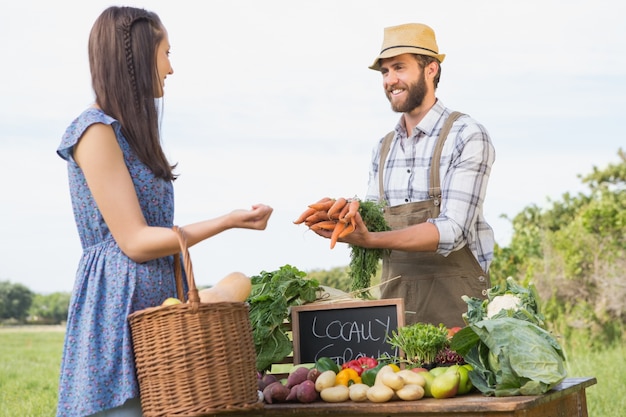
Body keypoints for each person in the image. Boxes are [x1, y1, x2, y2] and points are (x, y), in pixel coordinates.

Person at [55, 6, 273, 417]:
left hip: (155, 312)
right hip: (116, 312)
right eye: (166, 53)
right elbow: (135, 242)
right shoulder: (94, 132)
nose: (171, 68)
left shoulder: (131, 134)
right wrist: (227, 221)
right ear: (138, 55)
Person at [315, 23, 495, 328]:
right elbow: (372, 222)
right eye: (385, 72)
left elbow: (452, 231)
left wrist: (370, 239)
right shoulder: (382, 148)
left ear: (430, 69)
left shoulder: (466, 135)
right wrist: (346, 219)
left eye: (399, 68)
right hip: (397, 315)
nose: (390, 80)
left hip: (459, 314)